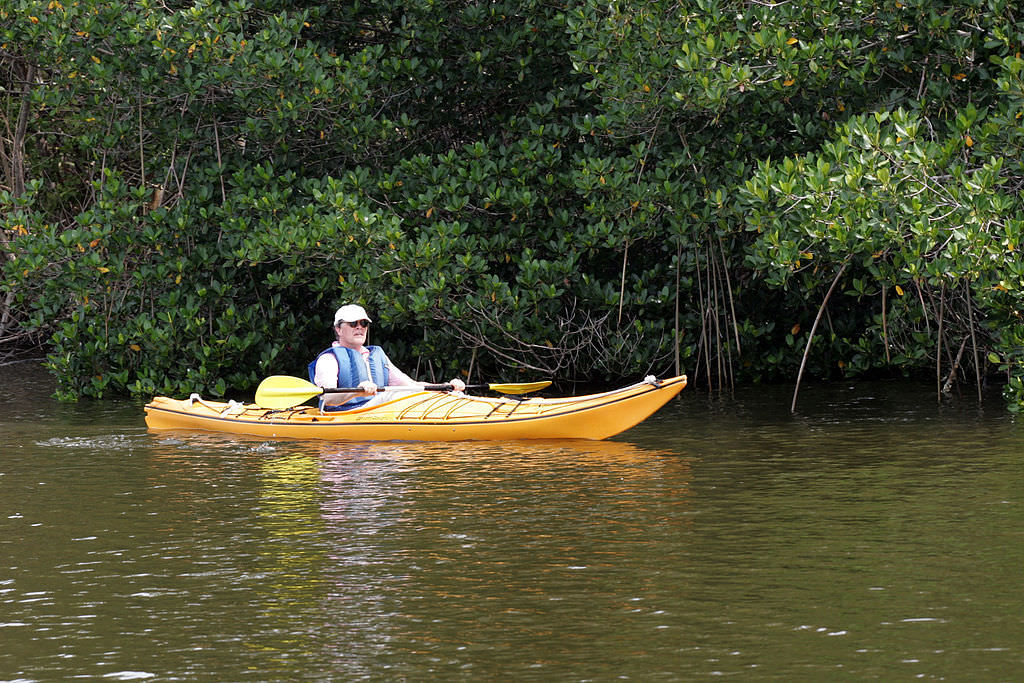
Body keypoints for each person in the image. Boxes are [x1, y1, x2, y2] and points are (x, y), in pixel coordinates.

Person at [308, 304, 466, 411]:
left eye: (363, 323)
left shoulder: (375, 355)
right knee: (392, 394)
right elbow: (328, 397)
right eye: (352, 323)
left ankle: (458, 403)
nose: (359, 327)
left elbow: (411, 386)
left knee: (439, 393)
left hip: (378, 411)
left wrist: (444, 388)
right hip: (348, 413)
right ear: (338, 329)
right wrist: (357, 392)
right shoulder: (329, 359)